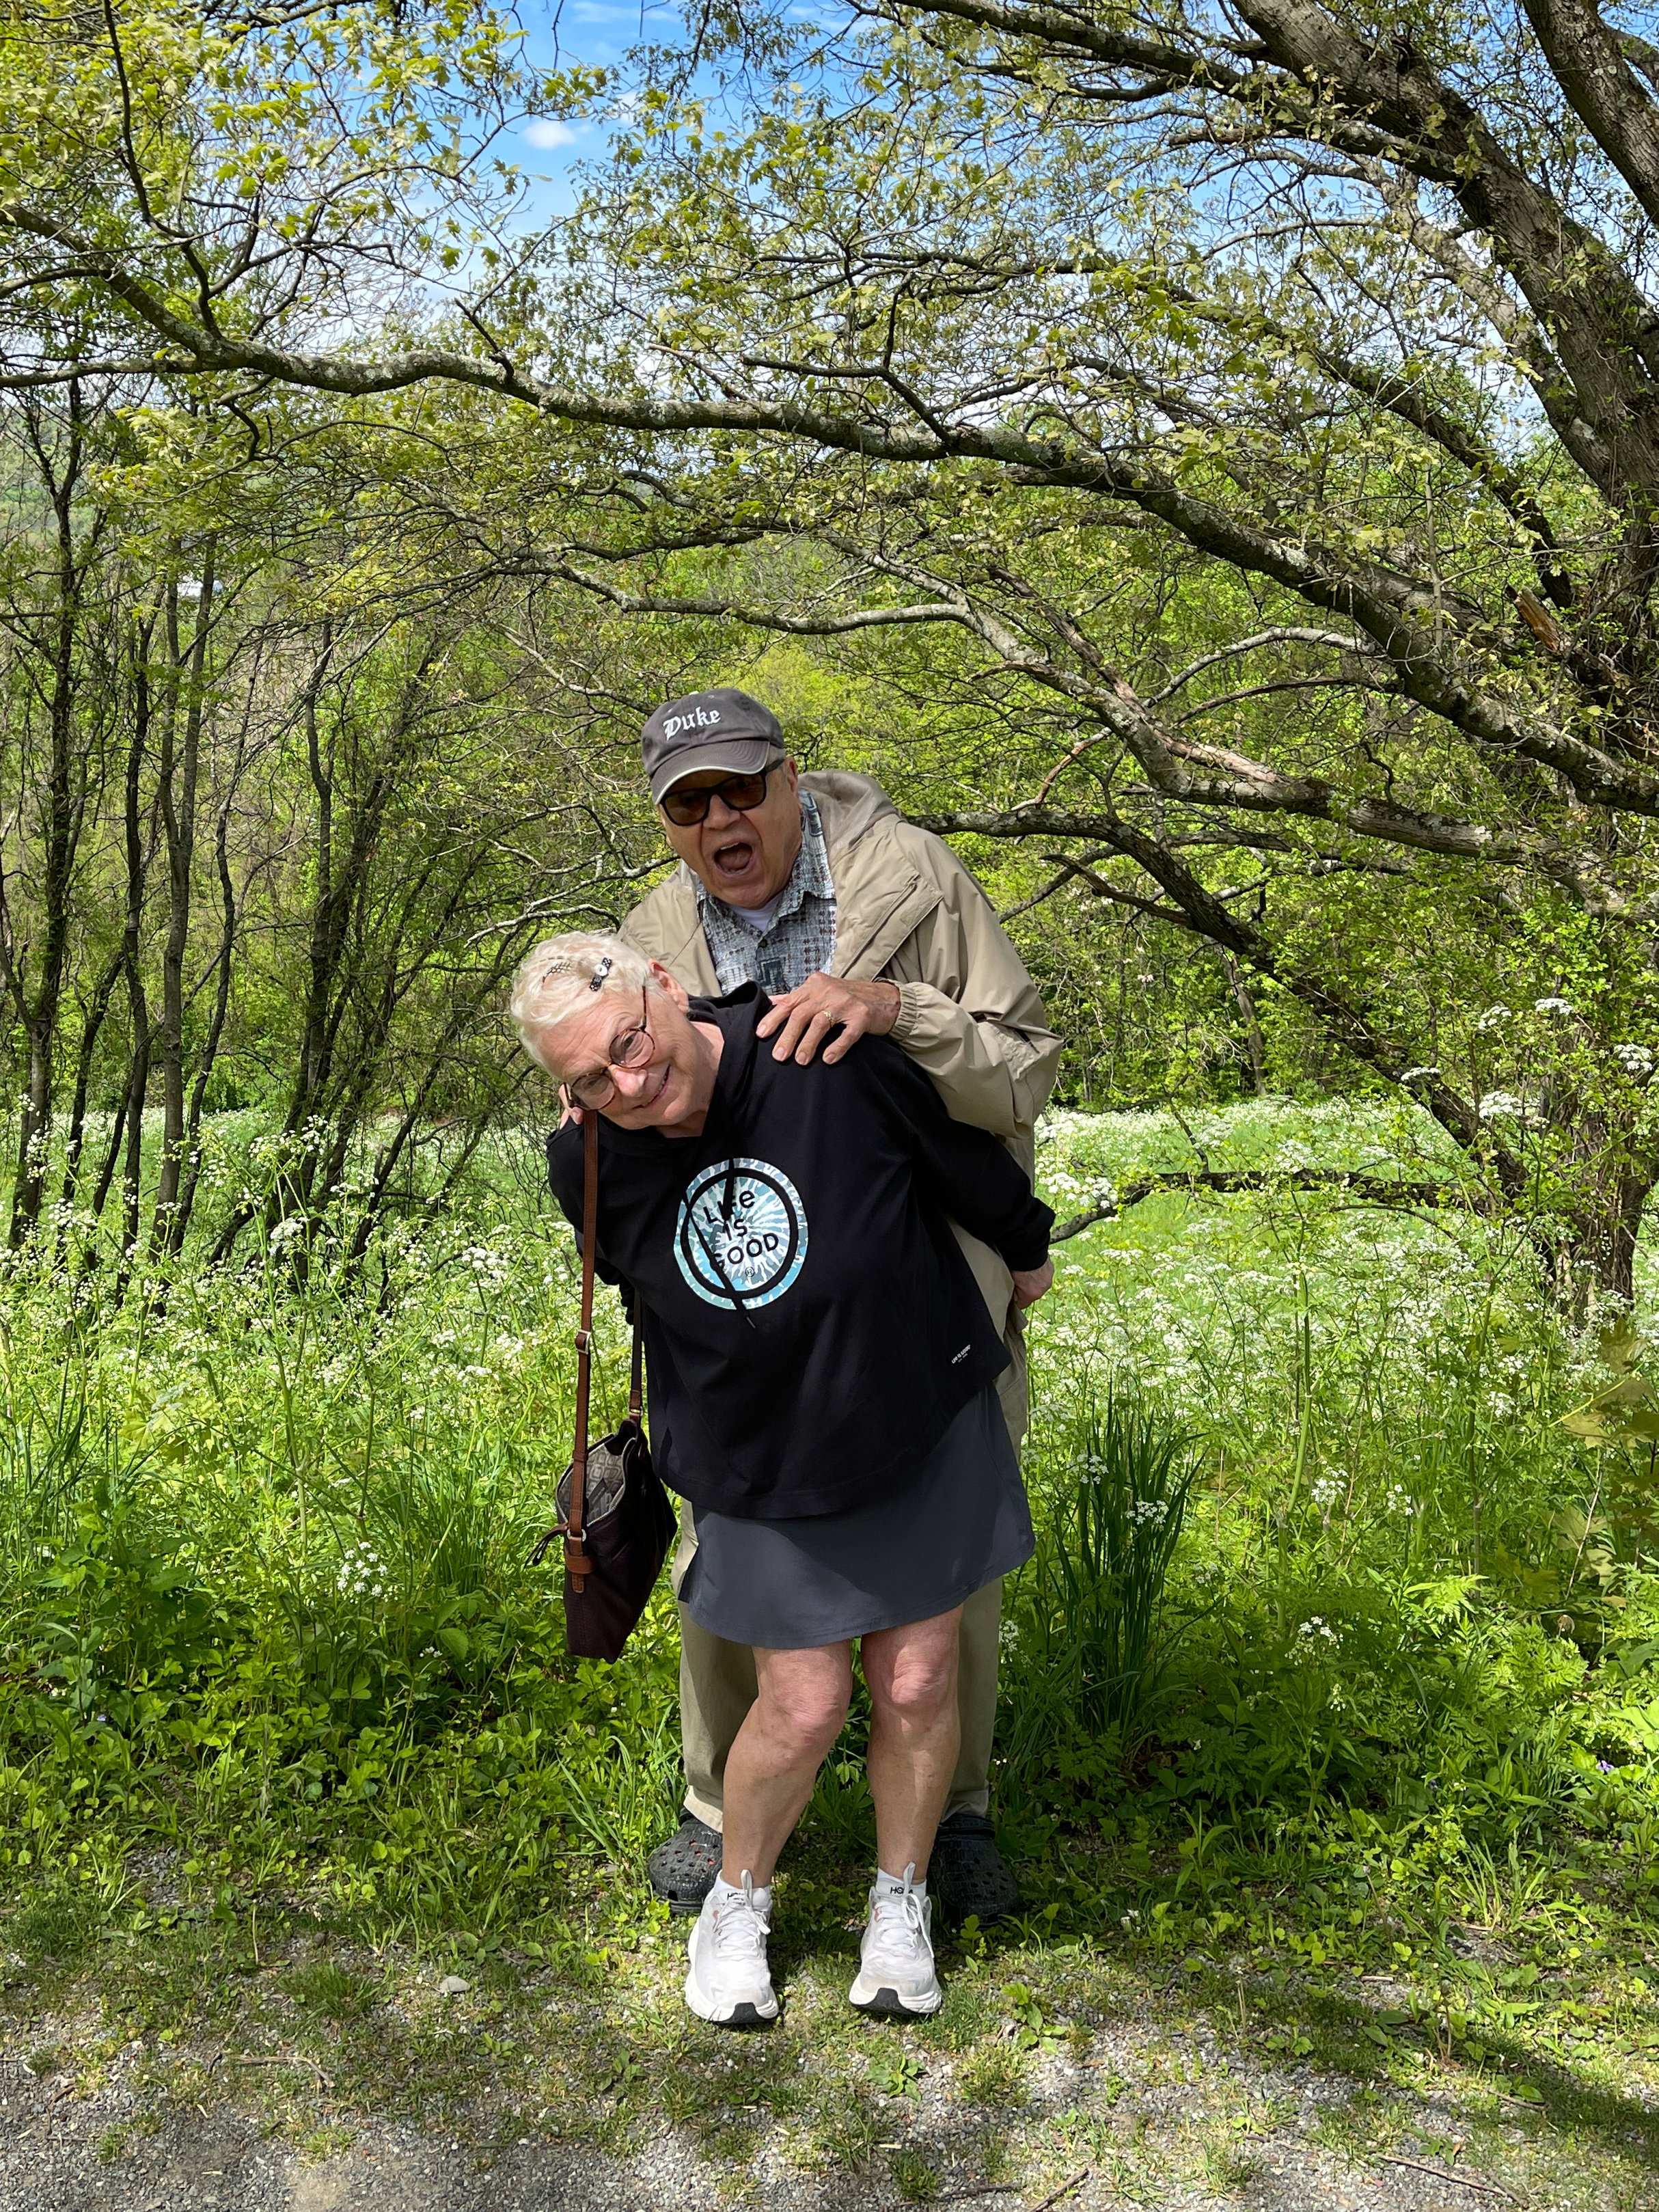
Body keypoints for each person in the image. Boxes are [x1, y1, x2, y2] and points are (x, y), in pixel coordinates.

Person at [513, 933, 1054, 2025]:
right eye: (589, 1080)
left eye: (629, 1044)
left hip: (916, 1414)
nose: (628, 1083)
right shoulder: (587, 1161)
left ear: (664, 985)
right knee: (803, 1705)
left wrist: (1027, 1247)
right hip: (757, 1453)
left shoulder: (820, 1052)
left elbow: (959, 1163)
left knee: (917, 1680)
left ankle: (899, 1904)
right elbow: (639, 1276)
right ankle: (738, 1899)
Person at [618, 687, 1062, 1924]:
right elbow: (618, 1081)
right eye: (689, 803)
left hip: (931, 1271)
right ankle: (721, 1813)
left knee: (951, 1552)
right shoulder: (653, 928)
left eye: (740, 789)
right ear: (669, 822)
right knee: (729, 1538)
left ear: (790, 779)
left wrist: (900, 1011)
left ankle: (955, 1811)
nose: (721, 819)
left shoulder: (913, 877)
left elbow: (1023, 1067)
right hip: (743, 1285)